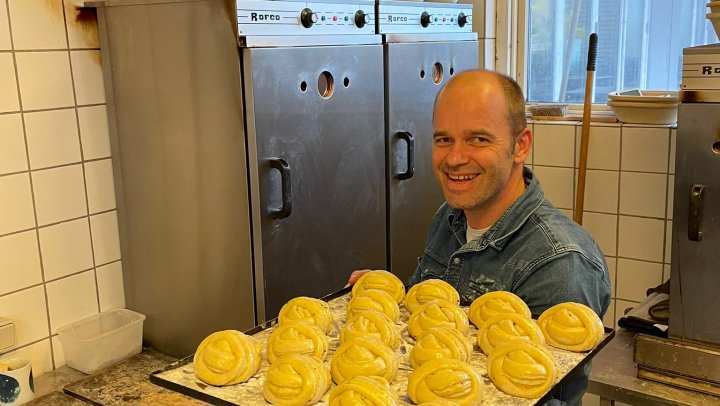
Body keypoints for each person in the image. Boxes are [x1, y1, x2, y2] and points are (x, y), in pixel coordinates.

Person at [348, 69, 611, 405]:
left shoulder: (560, 263)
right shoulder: (450, 217)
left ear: (520, 146)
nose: (455, 159)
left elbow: (537, 392)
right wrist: (389, 301)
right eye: (444, 139)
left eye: (478, 139)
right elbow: (427, 316)